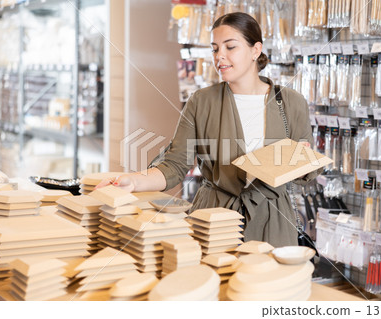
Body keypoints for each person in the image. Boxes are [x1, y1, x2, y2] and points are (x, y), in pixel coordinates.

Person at [96, 12, 320, 247]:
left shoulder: (292, 103)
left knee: (267, 283)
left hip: (273, 223)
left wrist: (300, 161)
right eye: (215, 49)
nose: (219, 57)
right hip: (213, 221)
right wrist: (133, 182)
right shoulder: (202, 102)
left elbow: (307, 174)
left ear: (256, 50)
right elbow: (174, 164)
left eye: (230, 47)